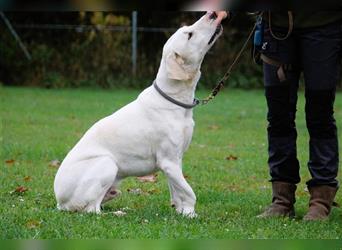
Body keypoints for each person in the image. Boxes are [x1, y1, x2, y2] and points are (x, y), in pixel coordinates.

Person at [212, 11, 342, 220]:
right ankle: (282, 200)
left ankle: (321, 200)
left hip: (324, 25)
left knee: (320, 115)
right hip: (277, 28)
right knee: (278, 117)